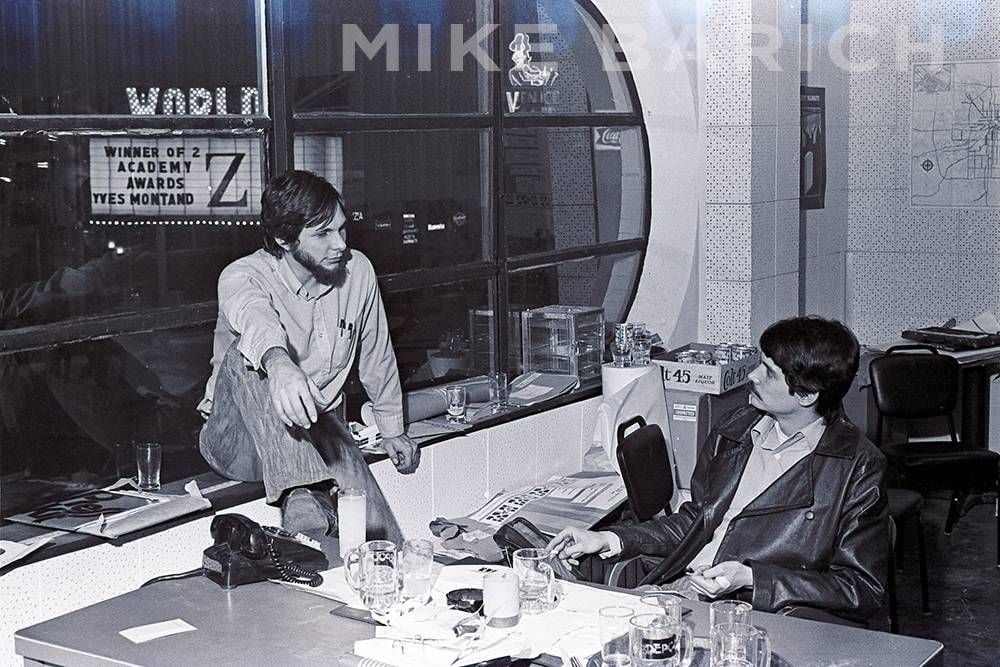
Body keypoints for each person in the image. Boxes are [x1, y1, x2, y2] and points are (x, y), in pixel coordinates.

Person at [549, 316, 889, 624]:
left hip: (755, 613)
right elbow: (695, 520)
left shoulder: (857, 466)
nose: (752, 376)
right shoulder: (735, 429)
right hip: (682, 590)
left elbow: (860, 588)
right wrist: (608, 538)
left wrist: (752, 578)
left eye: (768, 371)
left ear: (806, 394)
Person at [198, 170, 419, 542]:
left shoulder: (358, 271)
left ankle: (317, 507)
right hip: (240, 442)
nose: (340, 245)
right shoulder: (242, 276)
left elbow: (376, 353)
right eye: (323, 234)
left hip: (317, 430)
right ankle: (300, 495)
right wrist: (279, 363)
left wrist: (393, 430)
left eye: (341, 229)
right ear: (284, 238)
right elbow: (255, 318)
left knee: (380, 542)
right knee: (245, 354)